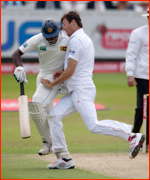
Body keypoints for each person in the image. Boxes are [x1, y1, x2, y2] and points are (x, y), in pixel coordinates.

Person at [41, 11, 145, 169]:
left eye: (64, 24)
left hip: (81, 90)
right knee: (54, 117)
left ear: (74, 22)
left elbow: (71, 71)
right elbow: (75, 68)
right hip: (77, 89)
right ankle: (64, 158)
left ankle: (131, 136)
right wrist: (62, 73)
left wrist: (51, 84)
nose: (62, 28)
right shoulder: (81, 38)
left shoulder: (76, 40)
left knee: (93, 126)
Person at [12, 18, 69, 156]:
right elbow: (16, 53)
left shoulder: (68, 39)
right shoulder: (38, 39)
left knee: (36, 103)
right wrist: (19, 67)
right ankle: (60, 153)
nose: (52, 39)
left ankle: (48, 142)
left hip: (55, 79)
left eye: (54, 35)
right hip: (42, 78)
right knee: (49, 116)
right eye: (48, 37)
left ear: (59, 30)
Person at [125, 9, 149, 151]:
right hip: (142, 76)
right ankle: (135, 137)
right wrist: (130, 74)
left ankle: (146, 142)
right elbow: (131, 54)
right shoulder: (138, 33)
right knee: (142, 108)